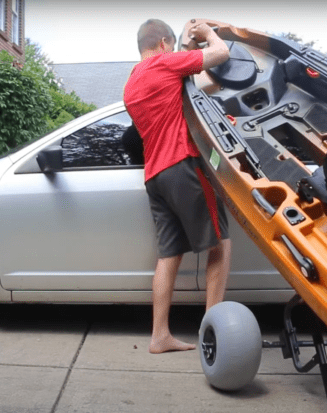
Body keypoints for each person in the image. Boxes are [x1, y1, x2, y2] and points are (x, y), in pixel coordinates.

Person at [123, 19, 231, 354]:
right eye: (173, 45)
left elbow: (186, 90)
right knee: (221, 243)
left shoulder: (131, 83)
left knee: (169, 255)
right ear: (163, 43)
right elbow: (221, 53)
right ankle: (212, 335)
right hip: (182, 165)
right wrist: (208, 35)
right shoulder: (164, 62)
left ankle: (159, 336)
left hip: (154, 177)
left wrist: (186, 45)